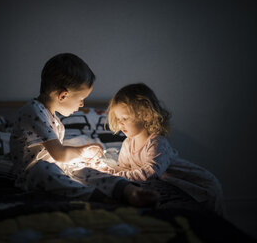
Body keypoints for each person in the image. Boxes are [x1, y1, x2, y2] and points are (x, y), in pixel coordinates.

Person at [9, 53, 158, 207]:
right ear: (63, 95)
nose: (81, 105)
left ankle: (129, 190)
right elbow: (59, 153)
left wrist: (81, 159)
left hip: (56, 167)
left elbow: (59, 157)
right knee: (44, 169)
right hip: (31, 175)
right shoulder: (33, 111)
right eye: (81, 99)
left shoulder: (53, 119)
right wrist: (82, 150)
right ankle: (100, 198)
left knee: (83, 169)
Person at [103, 83, 224, 215]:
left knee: (212, 224)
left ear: (145, 114)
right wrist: (107, 170)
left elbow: (149, 173)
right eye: (118, 119)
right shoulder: (127, 144)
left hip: (198, 186)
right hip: (172, 186)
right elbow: (125, 169)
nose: (120, 123)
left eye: (125, 118)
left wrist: (115, 174)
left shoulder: (157, 142)